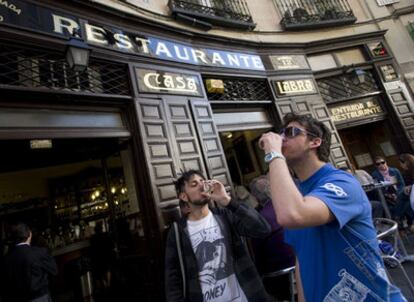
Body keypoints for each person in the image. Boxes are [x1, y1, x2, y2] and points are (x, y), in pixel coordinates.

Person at [259, 113, 405, 301]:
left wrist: (273, 153)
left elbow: (293, 215)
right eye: (280, 133)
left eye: (290, 132)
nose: (282, 138)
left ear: (315, 142)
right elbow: (301, 260)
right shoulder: (294, 195)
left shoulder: (341, 181)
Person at [165, 170, 271, 302]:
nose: (202, 186)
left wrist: (227, 201)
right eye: (194, 184)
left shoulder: (225, 215)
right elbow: (172, 278)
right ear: (184, 197)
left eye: (203, 181)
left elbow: (263, 229)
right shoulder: (177, 231)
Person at [249, 175, 295, 301]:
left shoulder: (260, 218)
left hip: (278, 274)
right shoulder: (292, 204)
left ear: (256, 197)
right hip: (302, 265)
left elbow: (258, 255)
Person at [0, 222, 57, 302]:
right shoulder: (40, 252)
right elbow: (54, 271)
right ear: (30, 234)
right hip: (40, 297)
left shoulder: (7, 258)